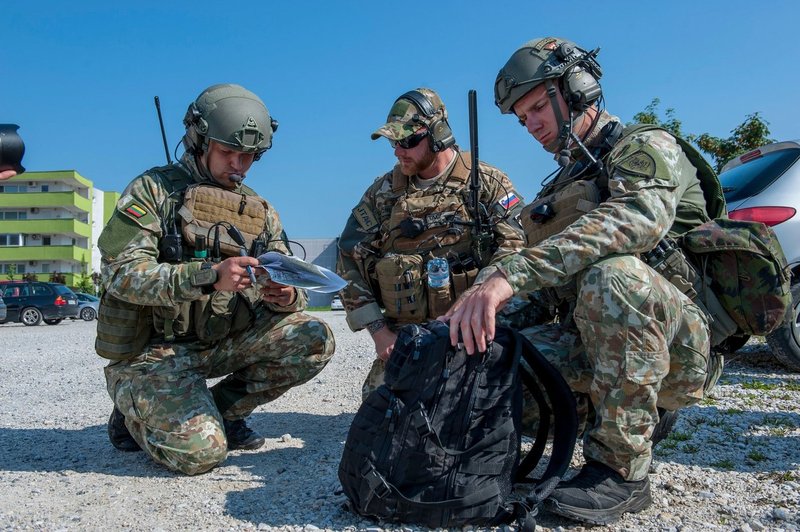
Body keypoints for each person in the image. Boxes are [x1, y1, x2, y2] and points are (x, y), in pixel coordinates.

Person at [444, 38, 723, 525]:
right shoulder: (561, 184)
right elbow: (543, 289)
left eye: (536, 107)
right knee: (482, 353)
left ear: (576, 88)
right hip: (593, 345)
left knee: (612, 276)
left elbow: (638, 219)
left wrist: (511, 273)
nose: (531, 124)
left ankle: (622, 470)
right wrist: (474, 318)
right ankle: (613, 415)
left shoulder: (645, 147)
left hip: (678, 349)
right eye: (521, 117)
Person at [96, 84, 335, 475]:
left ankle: (223, 411)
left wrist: (287, 295)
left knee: (313, 338)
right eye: (228, 152)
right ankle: (133, 407)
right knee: (199, 456)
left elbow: (293, 286)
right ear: (199, 140)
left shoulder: (259, 210)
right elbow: (120, 274)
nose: (239, 165)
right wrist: (208, 276)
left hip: (218, 341)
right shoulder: (153, 191)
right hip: (154, 352)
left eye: (250, 157)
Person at [337, 88, 526, 399]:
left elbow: (517, 243)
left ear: (439, 134)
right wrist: (379, 332)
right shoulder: (383, 193)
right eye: (393, 142)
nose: (398, 151)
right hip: (410, 335)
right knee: (382, 407)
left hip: (475, 328)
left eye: (408, 141)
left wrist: (483, 296)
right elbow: (348, 260)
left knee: (479, 406)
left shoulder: (486, 182)